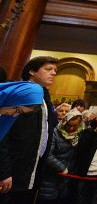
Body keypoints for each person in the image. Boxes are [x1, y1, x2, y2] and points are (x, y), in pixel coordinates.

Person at [0, 56, 58, 204]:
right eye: (48, 69)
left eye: (55, 70)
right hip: (12, 169)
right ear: (32, 71)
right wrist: (3, 171)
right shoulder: (22, 93)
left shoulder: (45, 98)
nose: (53, 73)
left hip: (32, 170)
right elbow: (3, 134)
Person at [37, 109, 84, 204]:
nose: (71, 129)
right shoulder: (55, 133)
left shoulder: (79, 135)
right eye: (69, 125)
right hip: (51, 177)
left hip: (67, 180)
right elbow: (47, 155)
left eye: (74, 126)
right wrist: (62, 168)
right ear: (64, 122)